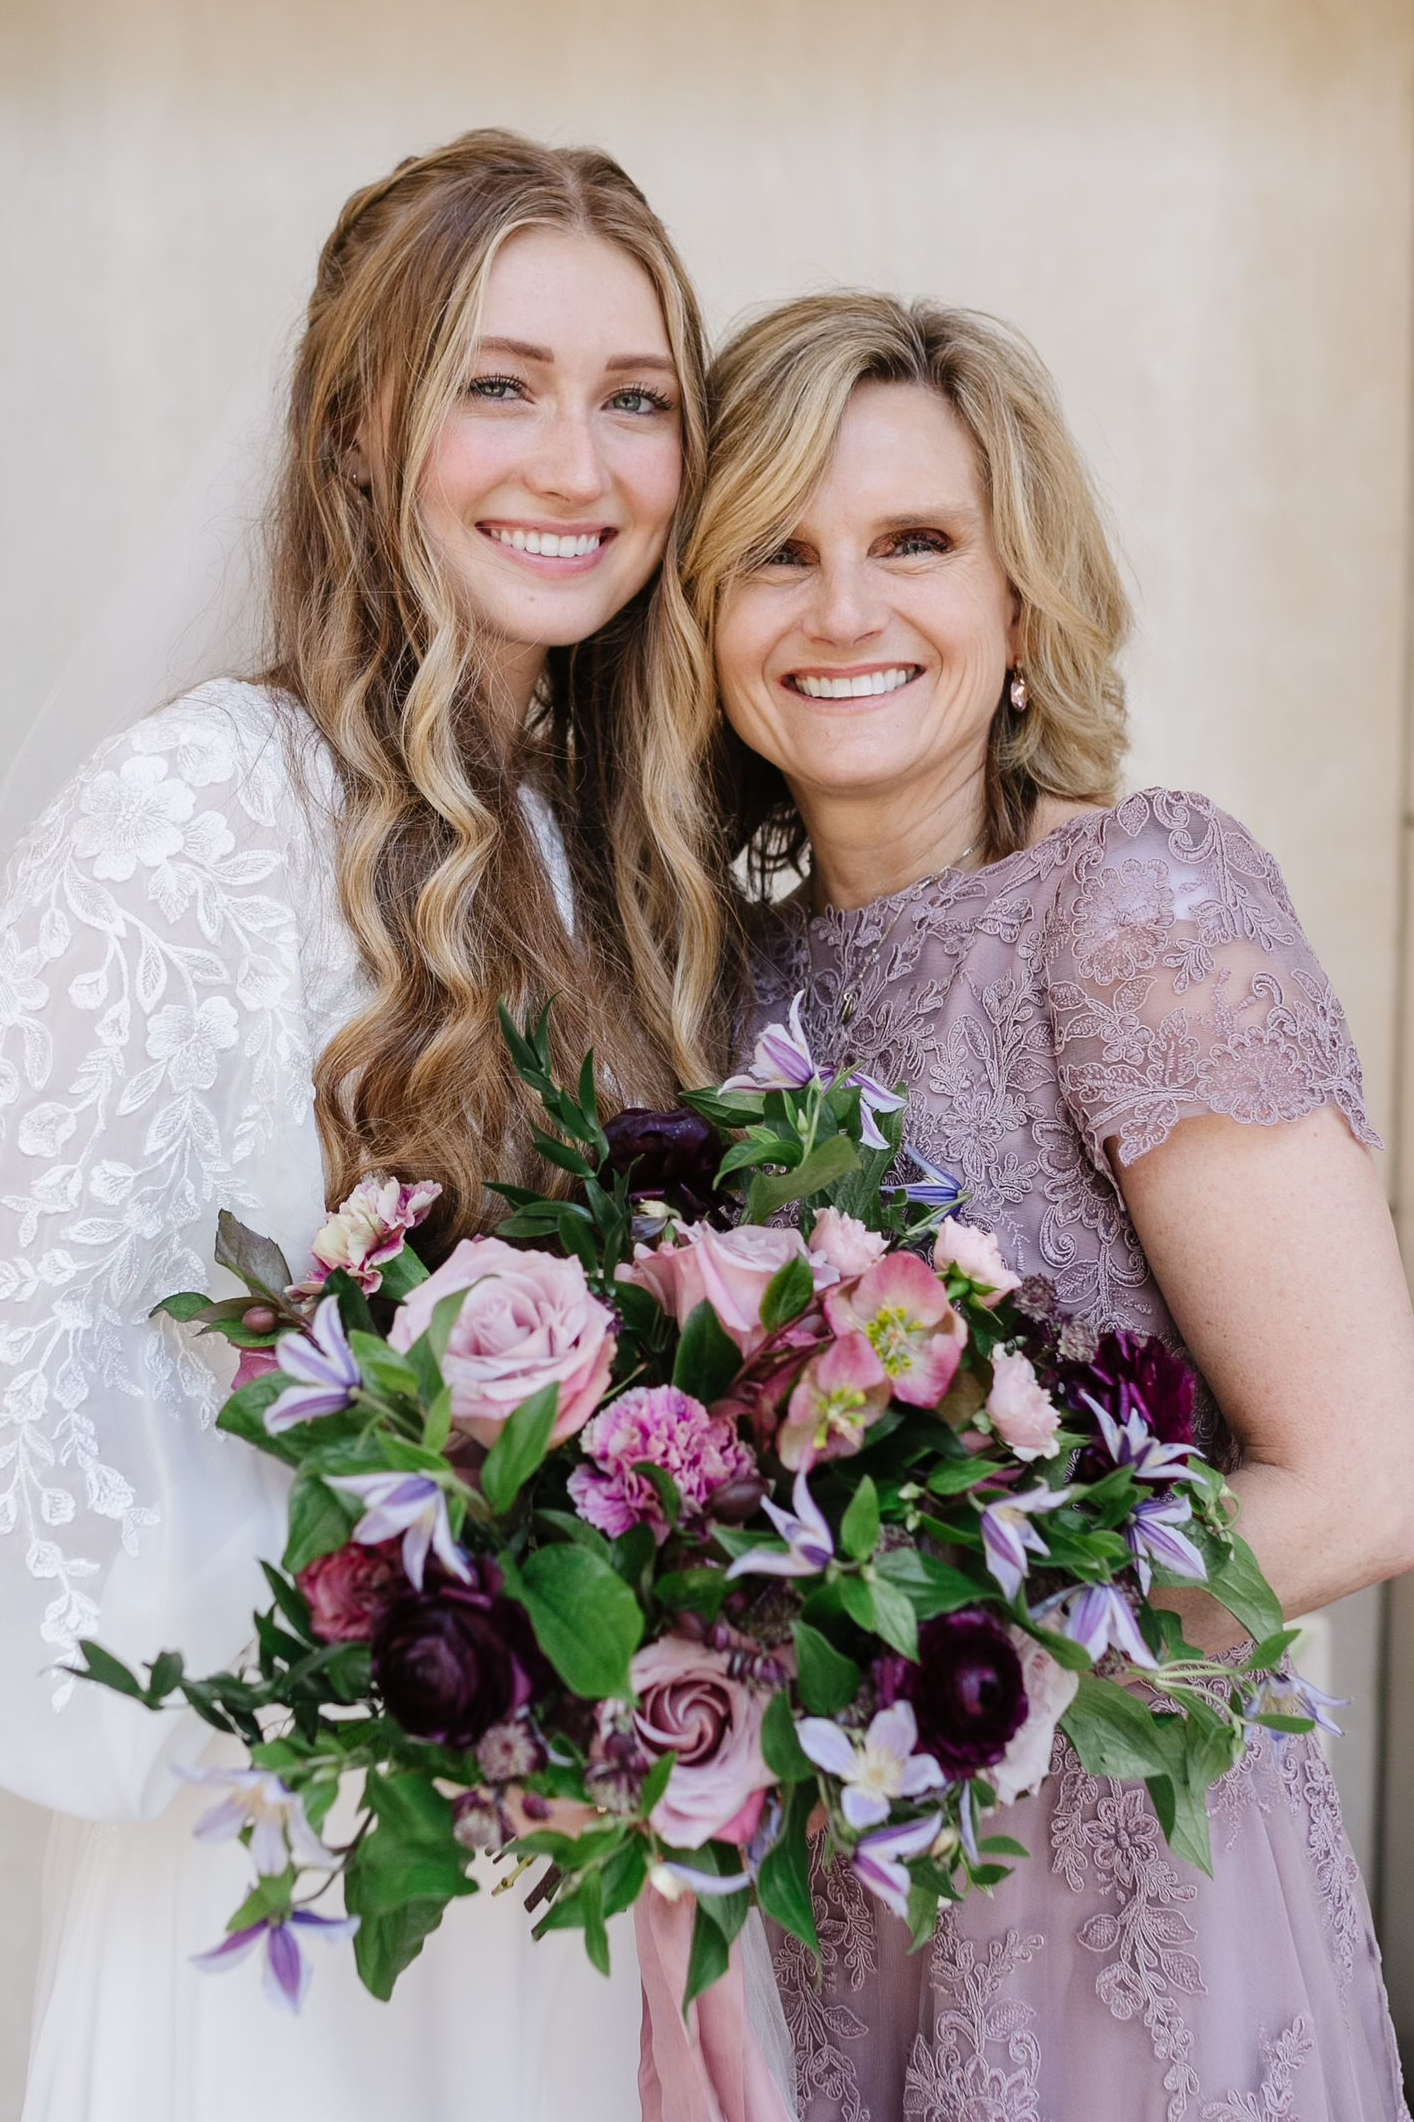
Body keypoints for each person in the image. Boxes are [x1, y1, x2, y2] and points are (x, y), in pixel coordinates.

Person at [0, 128, 734, 2122]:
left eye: (633, 400)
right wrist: (370, 1643)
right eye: (498, 385)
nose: (575, 467)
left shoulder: (599, 871)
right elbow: (21, 1364)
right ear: (355, 430)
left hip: (547, 1890)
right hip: (286, 1887)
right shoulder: (197, 813)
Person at [681, 293, 1413, 2118]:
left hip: (1106, 1898)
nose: (842, 610)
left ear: (1021, 603)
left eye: (913, 543)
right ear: (696, 622)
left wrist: (956, 1681)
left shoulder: (1134, 904)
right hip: (802, 1918)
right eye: (774, 551)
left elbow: (1363, 1474)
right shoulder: (704, 992)